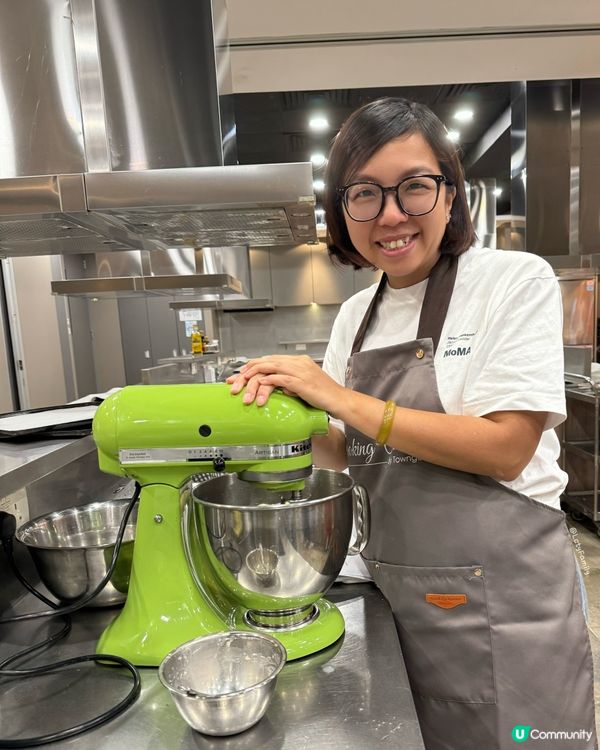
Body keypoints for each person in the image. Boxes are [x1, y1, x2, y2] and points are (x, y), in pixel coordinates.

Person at [228, 97, 596, 750]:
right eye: (364, 194)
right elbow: (344, 453)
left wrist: (338, 397)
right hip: (399, 599)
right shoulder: (356, 316)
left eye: (414, 188)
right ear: (343, 211)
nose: (391, 215)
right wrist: (270, 414)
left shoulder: (513, 282)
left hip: (507, 607)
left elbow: (506, 447)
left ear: (450, 194)